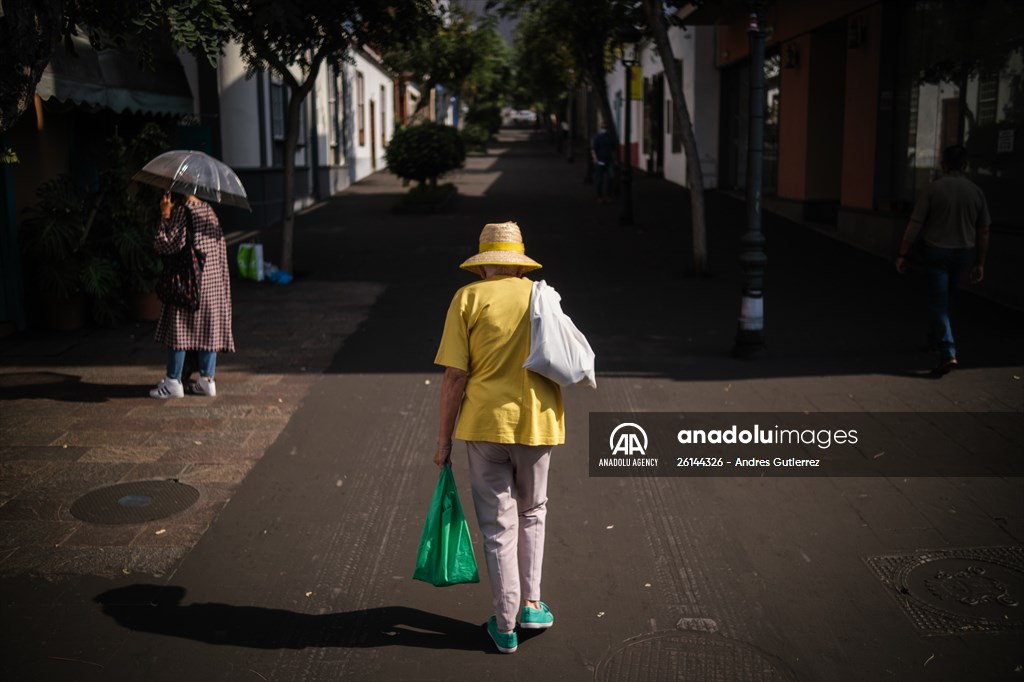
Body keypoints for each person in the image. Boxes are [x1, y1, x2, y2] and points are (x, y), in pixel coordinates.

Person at [433, 221, 565, 654]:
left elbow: (455, 375)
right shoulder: (540, 295)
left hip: (485, 426)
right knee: (533, 512)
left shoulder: (467, 298)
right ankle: (531, 604)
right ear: (518, 262)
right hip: (537, 422)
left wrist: (444, 441)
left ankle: (504, 625)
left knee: (497, 526)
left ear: (484, 262)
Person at [896, 145, 990, 376]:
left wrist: (902, 253)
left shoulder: (933, 189)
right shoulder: (976, 192)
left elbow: (915, 224)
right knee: (946, 299)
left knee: (939, 301)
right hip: (964, 253)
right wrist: (980, 262)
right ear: (965, 165)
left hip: (937, 251)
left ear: (943, 164)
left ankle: (947, 351)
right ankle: (934, 338)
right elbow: (984, 231)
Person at [150, 192, 235, 398]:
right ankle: (207, 381)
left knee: (179, 327)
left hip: (189, 280)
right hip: (212, 281)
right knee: (208, 329)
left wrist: (165, 214)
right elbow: (220, 247)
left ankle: (173, 382)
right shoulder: (209, 211)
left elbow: (167, 244)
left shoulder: (182, 211)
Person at [591, 123, 615, 203]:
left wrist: (614, 160)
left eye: (605, 127)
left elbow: (612, 150)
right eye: (603, 127)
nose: (604, 129)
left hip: (609, 161)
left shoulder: (610, 138)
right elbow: (593, 149)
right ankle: (599, 196)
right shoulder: (598, 137)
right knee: (600, 179)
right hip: (600, 161)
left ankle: (608, 195)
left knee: (610, 178)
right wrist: (595, 159)